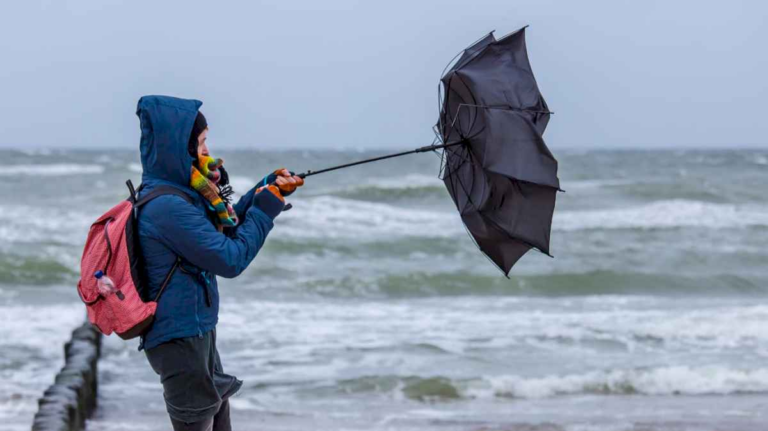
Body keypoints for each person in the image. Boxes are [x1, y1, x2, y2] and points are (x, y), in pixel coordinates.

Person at [134, 95, 303, 431]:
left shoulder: (183, 192)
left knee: (221, 421)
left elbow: (223, 230)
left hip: (198, 331)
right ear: (178, 148)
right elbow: (230, 258)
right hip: (180, 341)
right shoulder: (168, 207)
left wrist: (264, 190)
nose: (208, 151)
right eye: (201, 142)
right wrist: (265, 211)